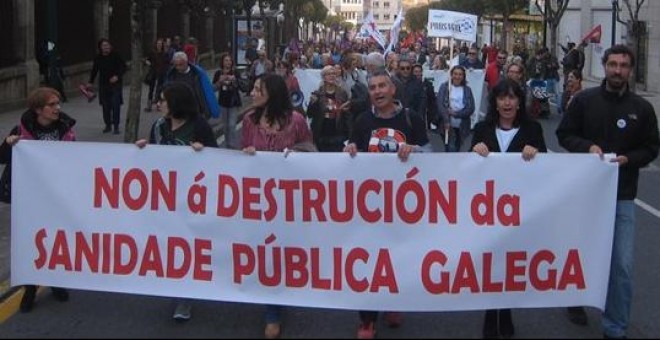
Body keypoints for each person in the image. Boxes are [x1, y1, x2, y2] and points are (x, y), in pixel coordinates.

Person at [556, 44, 660, 339]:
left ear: (630, 69)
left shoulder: (642, 109)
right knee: (581, 254)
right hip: (585, 194)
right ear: (604, 66)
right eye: (613, 64)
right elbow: (564, 134)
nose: (617, 70)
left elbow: (652, 147)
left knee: (622, 265)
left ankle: (615, 328)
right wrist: (587, 148)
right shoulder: (584, 101)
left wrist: (630, 159)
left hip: (622, 196)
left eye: (624, 65)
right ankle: (575, 298)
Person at [343, 70, 431, 339]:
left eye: (382, 86)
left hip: (402, 206)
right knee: (370, 258)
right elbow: (350, 150)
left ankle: (393, 302)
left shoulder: (411, 119)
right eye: (372, 87)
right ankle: (367, 319)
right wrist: (349, 151)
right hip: (369, 206)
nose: (378, 91)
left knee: (397, 257)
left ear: (393, 89)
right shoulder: (361, 121)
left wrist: (414, 151)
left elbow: (431, 155)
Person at [135, 82, 218, 322]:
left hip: (193, 200)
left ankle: (185, 297)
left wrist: (204, 152)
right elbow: (153, 156)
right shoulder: (159, 126)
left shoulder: (199, 126)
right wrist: (142, 149)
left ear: (177, 103)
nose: (159, 103)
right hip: (165, 198)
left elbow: (217, 162)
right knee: (169, 245)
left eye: (163, 100)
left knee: (188, 246)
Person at [471, 79, 547, 339]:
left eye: (512, 97)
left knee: (510, 265)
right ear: (494, 102)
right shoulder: (482, 128)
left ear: (519, 102)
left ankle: (506, 312)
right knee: (491, 264)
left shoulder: (533, 129)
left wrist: (536, 152)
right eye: (502, 98)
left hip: (519, 210)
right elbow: (465, 168)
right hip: (487, 210)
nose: (507, 103)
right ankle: (492, 314)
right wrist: (475, 150)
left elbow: (549, 168)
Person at [240, 74, 313, 339]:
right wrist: (246, 155)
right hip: (258, 200)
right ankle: (271, 300)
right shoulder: (249, 120)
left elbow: (311, 150)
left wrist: (297, 156)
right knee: (264, 250)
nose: (252, 92)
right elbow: (241, 156)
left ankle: (274, 309)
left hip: (288, 202)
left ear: (272, 92)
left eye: (258, 89)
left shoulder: (296, 122)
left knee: (281, 252)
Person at [0, 87, 76, 312]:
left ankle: (56, 281)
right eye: (52, 105)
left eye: (58, 104)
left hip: (55, 197)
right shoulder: (21, 131)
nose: (57, 109)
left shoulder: (66, 129)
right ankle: (30, 287)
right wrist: (9, 143)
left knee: (55, 240)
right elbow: (2, 157)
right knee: (30, 242)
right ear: (37, 109)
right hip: (29, 199)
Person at [307, 65, 352, 152]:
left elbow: (348, 116)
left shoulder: (342, 93)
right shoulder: (317, 94)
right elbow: (310, 114)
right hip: (321, 136)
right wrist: (313, 103)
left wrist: (350, 136)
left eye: (334, 74)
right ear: (323, 77)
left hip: (338, 136)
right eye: (329, 74)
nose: (332, 76)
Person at [165, 51, 220, 120]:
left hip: (198, 112)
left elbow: (207, 91)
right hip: (180, 113)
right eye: (176, 65)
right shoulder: (172, 76)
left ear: (186, 62)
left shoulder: (197, 74)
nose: (178, 67)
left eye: (180, 64)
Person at [87, 38, 127, 134]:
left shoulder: (116, 55)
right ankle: (108, 125)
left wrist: (117, 76)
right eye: (104, 46)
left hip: (115, 84)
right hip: (104, 85)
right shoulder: (98, 58)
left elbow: (123, 67)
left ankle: (116, 126)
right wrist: (90, 82)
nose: (106, 48)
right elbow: (94, 70)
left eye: (107, 45)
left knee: (115, 105)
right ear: (100, 48)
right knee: (105, 106)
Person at [437, 65, 476, 152]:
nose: (457, 77)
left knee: (458, 148)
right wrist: (446, 120)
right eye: (455, 74)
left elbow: (471, 108)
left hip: (462, 126)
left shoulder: (467, 89)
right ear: (451, 75)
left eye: (460, 74)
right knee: (450, 148)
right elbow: (440, 104)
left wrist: (456, 114)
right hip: (447, 125)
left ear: (463, 76)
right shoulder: (444, 87)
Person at [212, 52, 242, 149]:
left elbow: (241, 86)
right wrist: (220, 81)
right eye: (226, 60)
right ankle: (227, 145)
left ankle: (232, 146)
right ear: (222, 62)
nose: (228, 62)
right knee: (225, 126)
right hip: (223, 102)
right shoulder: (218, 73)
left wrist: (234, 80)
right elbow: (213, 88)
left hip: (234, 102)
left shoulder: (235, 72)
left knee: (232, 125)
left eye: (229, 60)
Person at [144, 38, 170, 112]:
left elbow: (167, 62)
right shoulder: (152, 52)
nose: (159, 45)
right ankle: (149, 105)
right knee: (151, 89)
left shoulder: (165, 53)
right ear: (156, 44)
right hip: (153, 73)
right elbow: (147, 59)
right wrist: (147, 62)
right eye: (158, 44)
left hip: (161, 73)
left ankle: (158, 104)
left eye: (160, 44)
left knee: (160, 89)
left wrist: (166, 70)